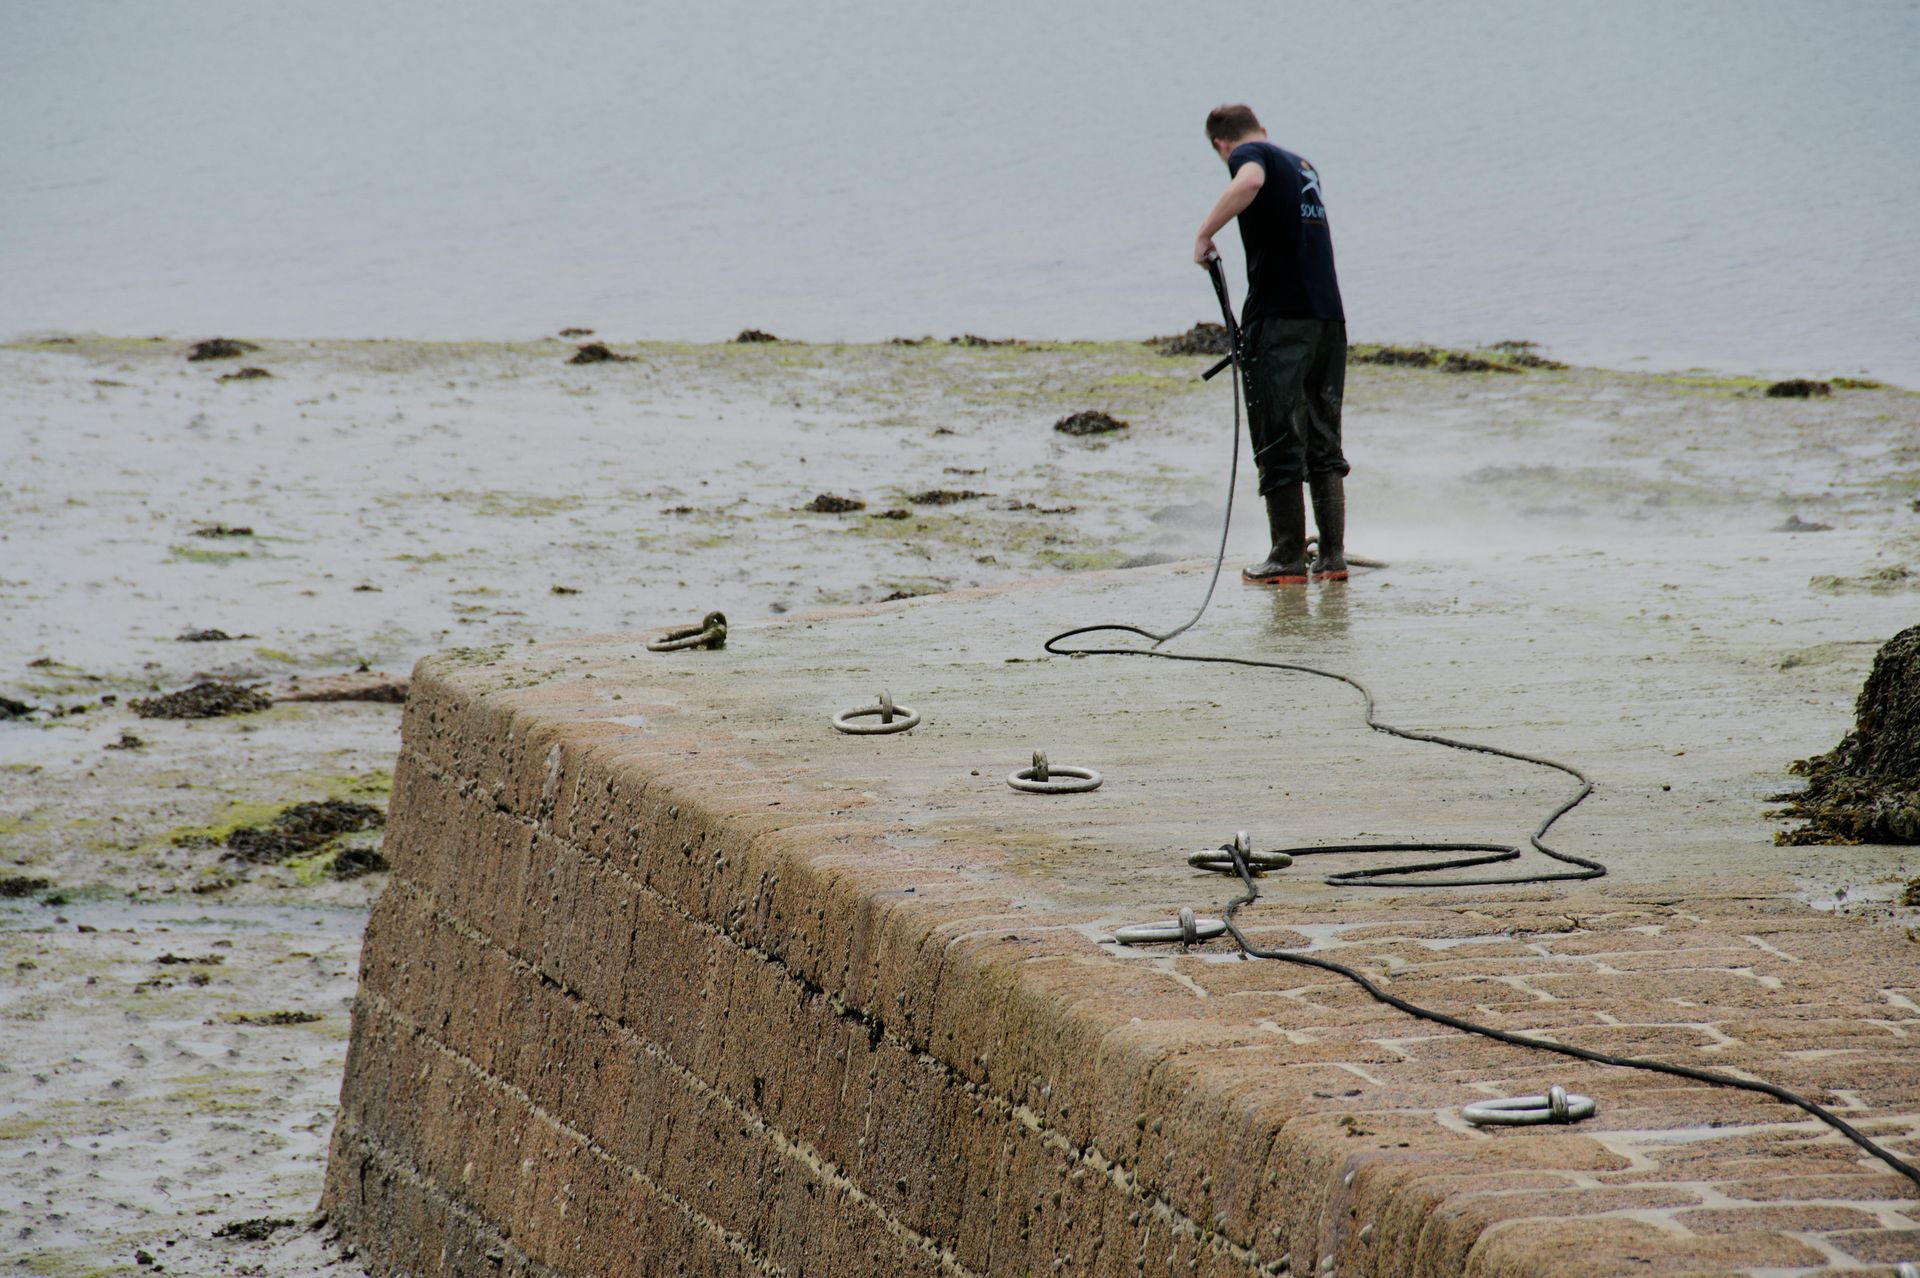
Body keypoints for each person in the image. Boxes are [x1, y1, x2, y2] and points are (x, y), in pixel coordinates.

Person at [1192, 103, 1349, 584]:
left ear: (1222, 144)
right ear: (1261, 125)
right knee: (1323, 437)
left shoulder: (1250, 155)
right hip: (1328, 318)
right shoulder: (1303, 164)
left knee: (1278, 434)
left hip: (1280, 320)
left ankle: (1285, 557)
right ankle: (1332, 559)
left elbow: (1250, 183)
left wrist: (1204, 235)